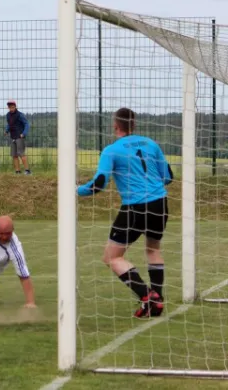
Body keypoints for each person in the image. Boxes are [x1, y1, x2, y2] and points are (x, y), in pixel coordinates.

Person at [77, 107, 173, 318]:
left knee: (112, 257)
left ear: (115, 125)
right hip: (160, 203)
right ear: (134, 124)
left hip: (135, 207)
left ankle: (148, 296)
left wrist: (76, 191)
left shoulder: (111, 150)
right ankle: (157, 300)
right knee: (153, 249)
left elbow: (100, 183)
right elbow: (168, 177)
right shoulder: (151, 144)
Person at [4, 100, 31, 175]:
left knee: (21, 154)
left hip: (19, 136)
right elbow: (9, 124)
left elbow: (26, 124)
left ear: (15, 106)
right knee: (14, 155)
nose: (11, 108)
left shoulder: (20, 115)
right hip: (13, 137)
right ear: (8, 107)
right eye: (9, 107)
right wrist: (6, 131)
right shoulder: (8, 115)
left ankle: (27, 171)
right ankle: (17, 171)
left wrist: (24, 133)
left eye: (12, 107)